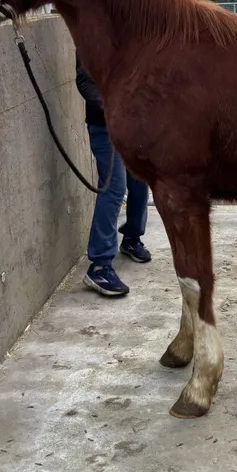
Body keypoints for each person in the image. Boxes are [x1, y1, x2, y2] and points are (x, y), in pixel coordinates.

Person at [76, 54, 151, 297]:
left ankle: (131, 237)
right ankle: (99, 265)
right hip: (105, 126)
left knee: (140, 180)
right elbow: (85, 83)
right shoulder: (93, 34)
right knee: (115, 187)